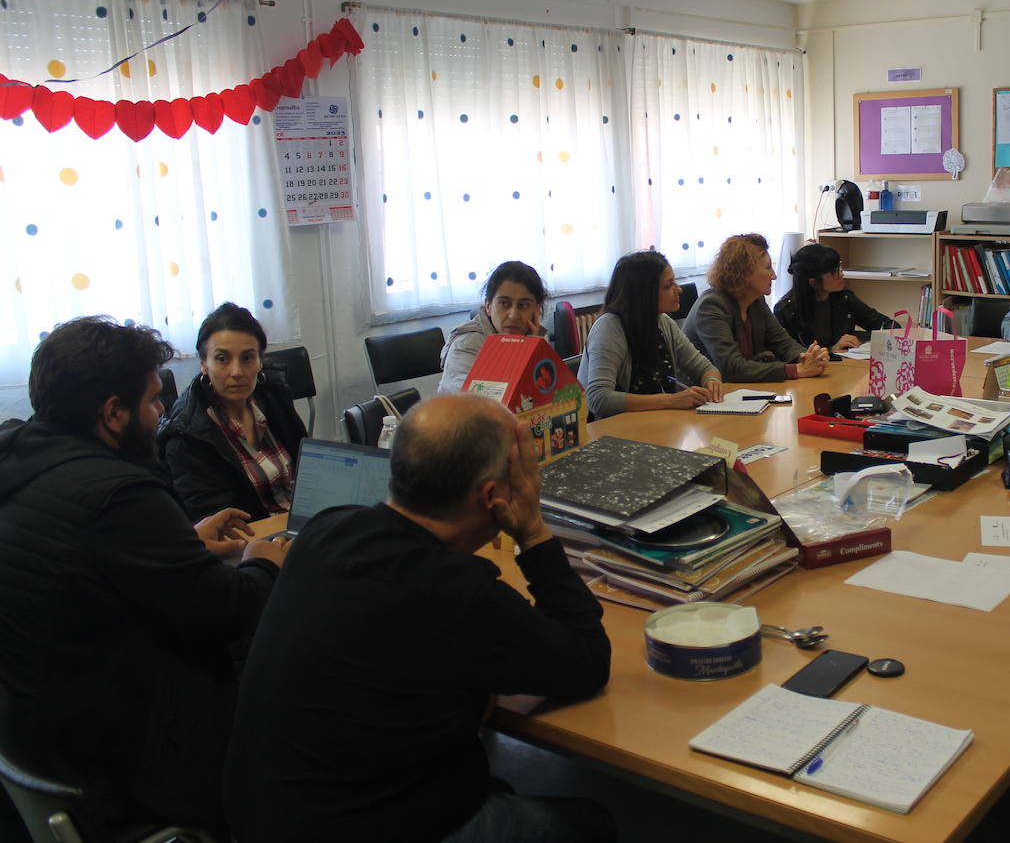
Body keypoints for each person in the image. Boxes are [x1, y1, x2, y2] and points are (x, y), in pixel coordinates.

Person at [224, 394, 614, 842]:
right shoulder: (459, 592)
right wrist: (533, 529)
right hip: (365, 827)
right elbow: (587, 661)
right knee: (591, 823)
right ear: (493, 496)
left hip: (259, 821)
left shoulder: (325, 531)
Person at [0, 316, 287, 836]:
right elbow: (226, 611)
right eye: (153, 401)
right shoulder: (120, 494)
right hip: (126, 766)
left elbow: (86, 559)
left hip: (34, 744)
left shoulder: (19, 460)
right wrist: (266, 561)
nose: (162, 414)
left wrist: (181, 541)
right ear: (113, 414)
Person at [157, 302, 308, 524]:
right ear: (204, 365)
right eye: (222, 359)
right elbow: (220, 526)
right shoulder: (186, 434)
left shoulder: (273, 395)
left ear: (260, 360)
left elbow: (307, 470)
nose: (237, 372)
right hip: (251, 545)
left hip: (300, 526)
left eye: (247, 358)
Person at [578, 250, 723, 417]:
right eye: (668, 285)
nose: (678, 290)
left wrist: (712, 382)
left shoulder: (663, 322)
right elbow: (599, 398)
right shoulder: (609, 327)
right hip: (615, 431)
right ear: (645, 293)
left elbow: (704, 368)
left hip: (658, 424)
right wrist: (671, 400)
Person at [684, 233, 829, 382]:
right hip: (704, 398)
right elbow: (732, 368)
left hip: (742, 393)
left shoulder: (756, 301)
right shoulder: (711, 306)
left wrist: (807, 357)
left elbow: (783, 343)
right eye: (767, 268)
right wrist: (795, 370)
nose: (774, 276)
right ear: (744, 273)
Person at [438, 261, 549, 394]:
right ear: (488, 306)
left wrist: (533, 347)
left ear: (536, 310)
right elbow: (479, 405)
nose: (513, 315)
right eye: (504, 303)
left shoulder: (533, 337)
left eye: (523, 305)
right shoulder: (466, 344)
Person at [773, 243, 894, 352]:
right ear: (814, 282)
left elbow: (886, 325)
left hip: (845, 367)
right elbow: (789, 356)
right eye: (835, 271)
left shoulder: (844, 297)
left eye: (839, 267)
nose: (841, 274)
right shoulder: (786, 310)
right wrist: (832, 350)